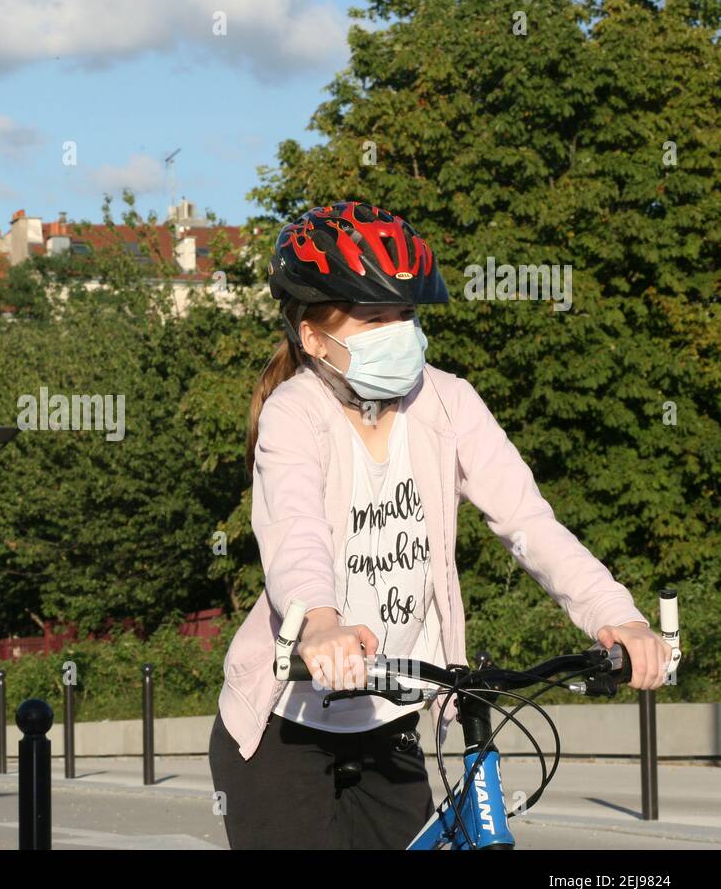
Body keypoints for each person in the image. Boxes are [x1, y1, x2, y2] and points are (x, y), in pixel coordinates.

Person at [208, 201, 672, 849]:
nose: (399, 330)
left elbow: (527, 521)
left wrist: (615, 614)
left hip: (389, 718)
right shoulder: (297, 413)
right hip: (285, 721)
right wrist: (320, 623)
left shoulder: (448, 403)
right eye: (374, 317)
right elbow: (296, 531)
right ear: (314, 337)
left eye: (406, 313)